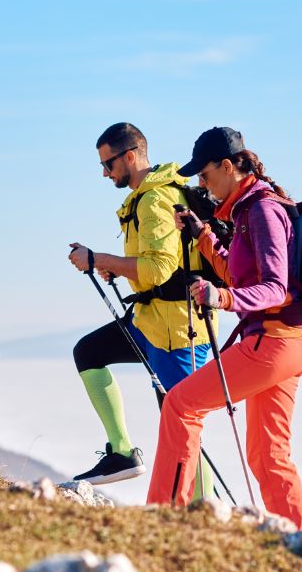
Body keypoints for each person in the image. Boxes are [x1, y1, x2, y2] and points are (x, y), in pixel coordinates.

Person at [145, 126, 302, 530]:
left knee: (180, 406)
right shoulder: (247, 211)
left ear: (228, 166)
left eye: (204, 175)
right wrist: (203, 236)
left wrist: (221, 299)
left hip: (273, 341)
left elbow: (274, 287)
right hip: (288, 342)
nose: (202, 185)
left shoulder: (262, 211)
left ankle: (163, 518)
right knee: (268, 455)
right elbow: (241, 276)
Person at [67, 123, 216, 498]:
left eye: (108, 164)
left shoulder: (154, 201)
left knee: (181, 423)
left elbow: (156, 270)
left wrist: (99, 259)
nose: (105, 172)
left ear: (130, 156)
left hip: (178, 331)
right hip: (151, 322)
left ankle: (205, 508)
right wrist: (112, 264)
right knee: (89, 352)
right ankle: (120, 454)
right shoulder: (149, 197)